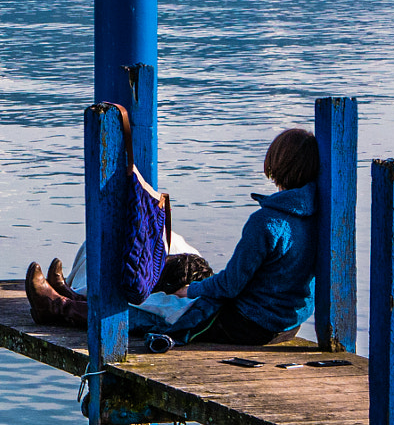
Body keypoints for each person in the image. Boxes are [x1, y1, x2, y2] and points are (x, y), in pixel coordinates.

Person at [25, 126, 321, 347]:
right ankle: (73, 296)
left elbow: (230, 285)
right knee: (168, 302)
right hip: (285, 325)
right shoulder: (315, 218)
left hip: (250, 324)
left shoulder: (268, 223)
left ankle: (56, 308)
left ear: (277, 164)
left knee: (163, 311)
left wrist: (189, 291)